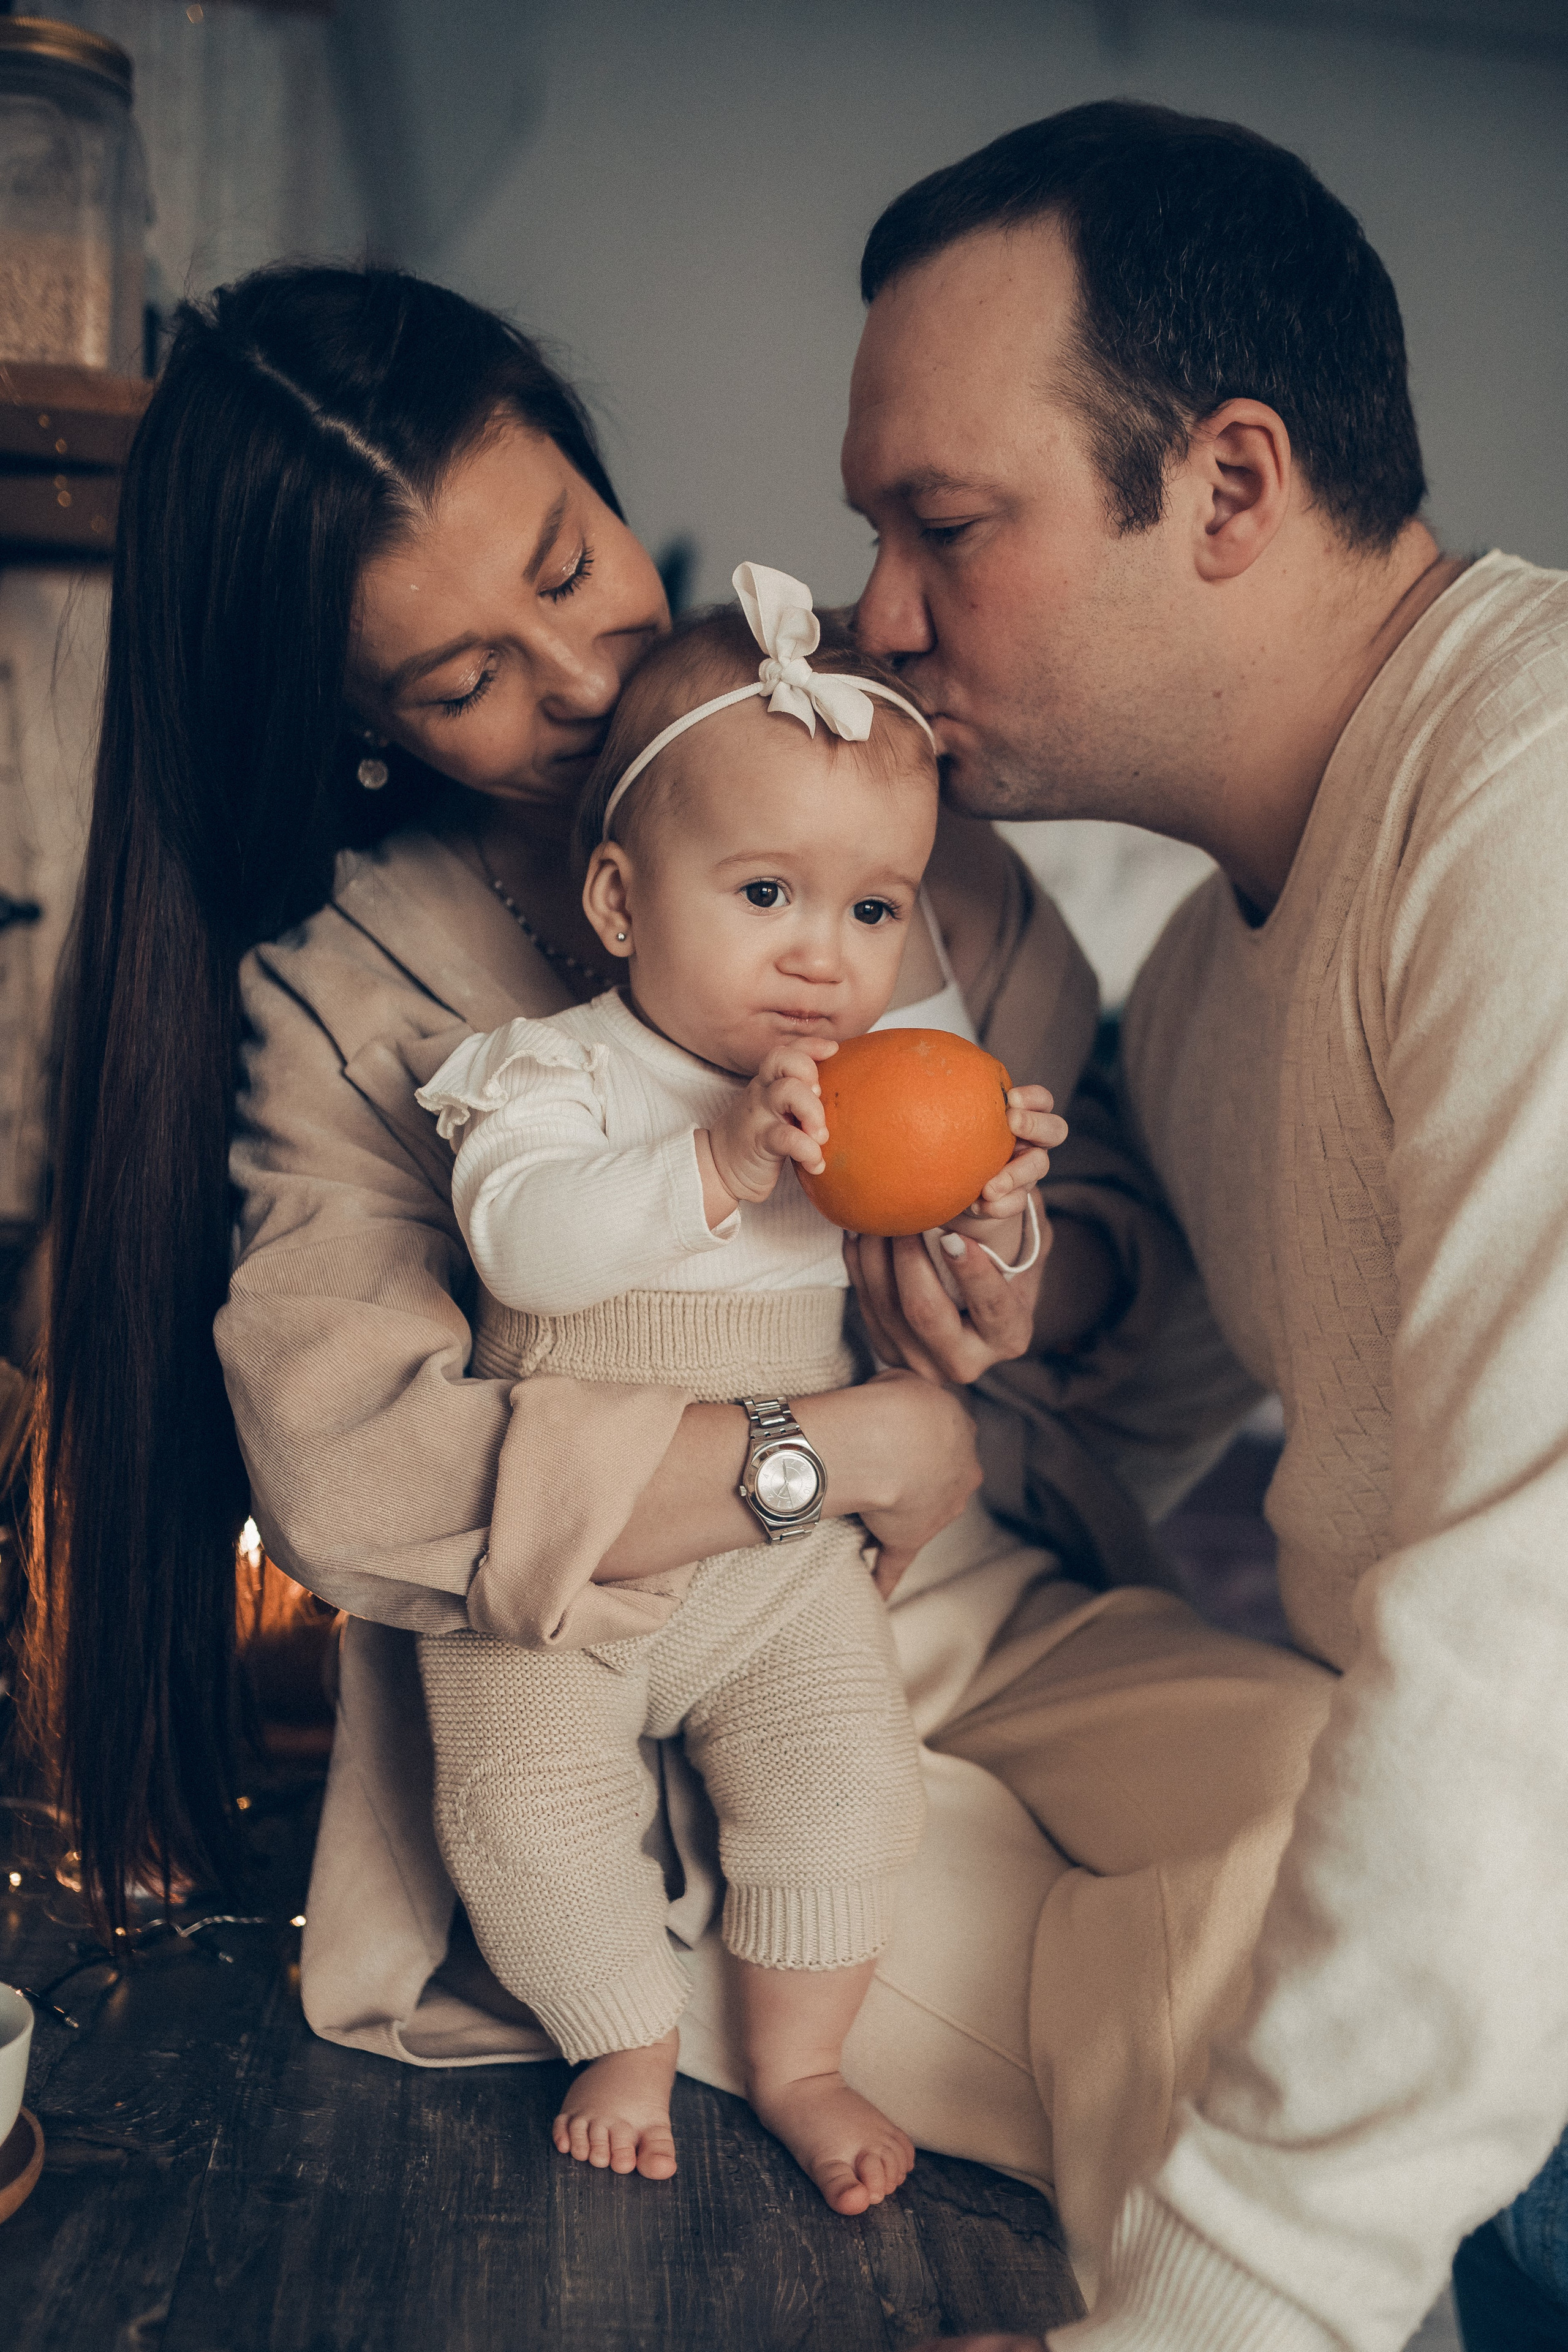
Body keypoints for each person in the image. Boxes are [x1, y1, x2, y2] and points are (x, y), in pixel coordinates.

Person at [26, 262, 1331, 2291]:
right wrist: (828, 1448)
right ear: (357, 725)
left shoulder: (862, 793)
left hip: (969, 1594)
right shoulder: (356, 988)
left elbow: (1115, 1227)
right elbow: (360, 1466)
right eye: (461, 676)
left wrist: (1015, 1280)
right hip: (614, 1712)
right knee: (1170, 2003)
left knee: (1350, 1804)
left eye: (571, 564)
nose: (573, 675)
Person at [842, 100, 1568, 2352]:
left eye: (947, 525)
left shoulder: (1531, 798)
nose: (878, 615)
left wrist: (1216, 2315)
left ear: (1232, 486)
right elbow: (1134, 1403)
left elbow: (1536, 1627)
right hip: (1461, 1987)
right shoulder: (1195, 981)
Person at [412, 570, 1058, 2207]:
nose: (823, 960)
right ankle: (621, 2032)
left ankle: (798, 2057)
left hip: (776, 1571)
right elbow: (527, 1248)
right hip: (571, 1570)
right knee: (521, 1810)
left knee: (851, 1785)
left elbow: (961, 1298)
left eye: (873, 911)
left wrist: (994, 1203)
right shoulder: (560, 1069)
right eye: (766, 892)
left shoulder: (860, 1105)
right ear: (621, 903)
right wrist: (711, 1162)